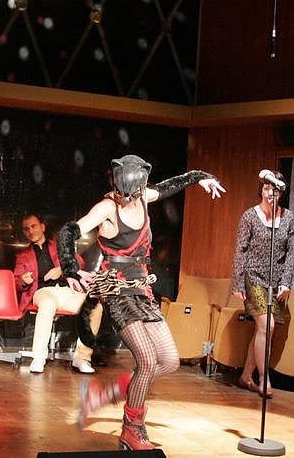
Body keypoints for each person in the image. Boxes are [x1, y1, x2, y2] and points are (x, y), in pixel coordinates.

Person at [58, 155, 224, 451]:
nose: (125, 198)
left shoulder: (145, 196)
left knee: (169, 361)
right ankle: (132, 429)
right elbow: (68, 232)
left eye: (130, 193)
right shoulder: (107, 207)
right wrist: (71, 269)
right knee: (147, 361)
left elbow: (172, 185)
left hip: (141, 290)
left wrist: (201, 177)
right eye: (121, 192)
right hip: (116, 291)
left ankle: (111, 392)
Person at [13, 213, 103, 374]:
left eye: (33, 226)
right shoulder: (23, 256)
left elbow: (79, 261)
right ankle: (39, 357)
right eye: (26, 229)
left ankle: (82, 358)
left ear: (42, 227)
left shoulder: (58, 246)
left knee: (95, 306)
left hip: (67, 291)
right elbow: (17, 281)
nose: (31, 231)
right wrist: (24, 280)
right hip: (42, 292)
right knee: (47, 304)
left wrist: (61, 269)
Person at [231, 171, 293, 399]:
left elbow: (292, 253)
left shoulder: (289, 218)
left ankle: (246, 376)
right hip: (253, 277)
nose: (270, 193)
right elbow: (240, 250)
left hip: (276, 282)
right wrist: (238, 282)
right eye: (267, 188)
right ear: (261, 190)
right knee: (267, 326)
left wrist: (286, 282)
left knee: (263, 331)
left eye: (274, 189)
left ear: (281, 192)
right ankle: (264, 377)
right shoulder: (250, 216)